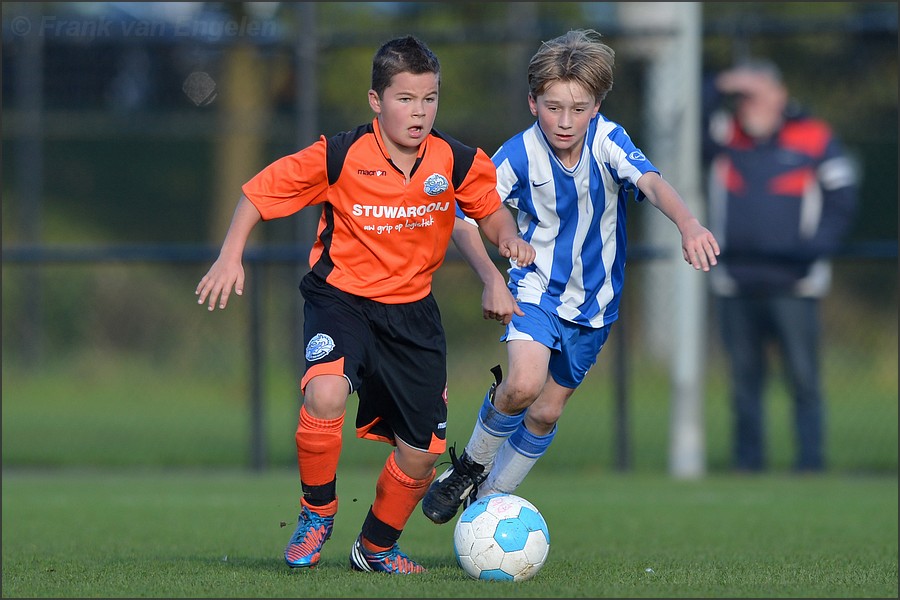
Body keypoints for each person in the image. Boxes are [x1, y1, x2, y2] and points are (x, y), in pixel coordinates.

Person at [194, 35, 534, 574]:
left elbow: (488, 211)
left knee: (422, 454)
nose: (419, 112)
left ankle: (375, 548)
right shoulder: (339, 153)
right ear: (376, 100)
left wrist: (506, 241)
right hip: (341, 300)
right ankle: (317, 513)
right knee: (326, 392)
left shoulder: (456, 159)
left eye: (429, 99)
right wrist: (230, 255)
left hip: (413, 315)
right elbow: (257, 193)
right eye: (405, 99)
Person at [422, 28, 721, 525]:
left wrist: (688, 224)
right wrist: (494, 272)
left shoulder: (608, 140)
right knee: (521, 385)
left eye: (578, 108)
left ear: (597, 105)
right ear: (532, 102)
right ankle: (470, 466)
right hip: (536, 290)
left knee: (545, 412)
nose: (565, 121)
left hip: (596, 304)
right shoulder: (517, 154)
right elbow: (464, 216)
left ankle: (489, 503)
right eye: (553, 107)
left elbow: (650, 181)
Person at [703, 59, 858, 473]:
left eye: (756, 94)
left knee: (804, 380)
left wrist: (813, 249)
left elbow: (843, 198)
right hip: (735, 281)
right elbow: (691, 122)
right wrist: (721, 84)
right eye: (742, 97)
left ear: (780, 95)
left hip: (796, 283)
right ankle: (747, 466)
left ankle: (811, 465)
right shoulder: (724, 134)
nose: (748, 104)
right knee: (743, 383)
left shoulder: (814, 136)